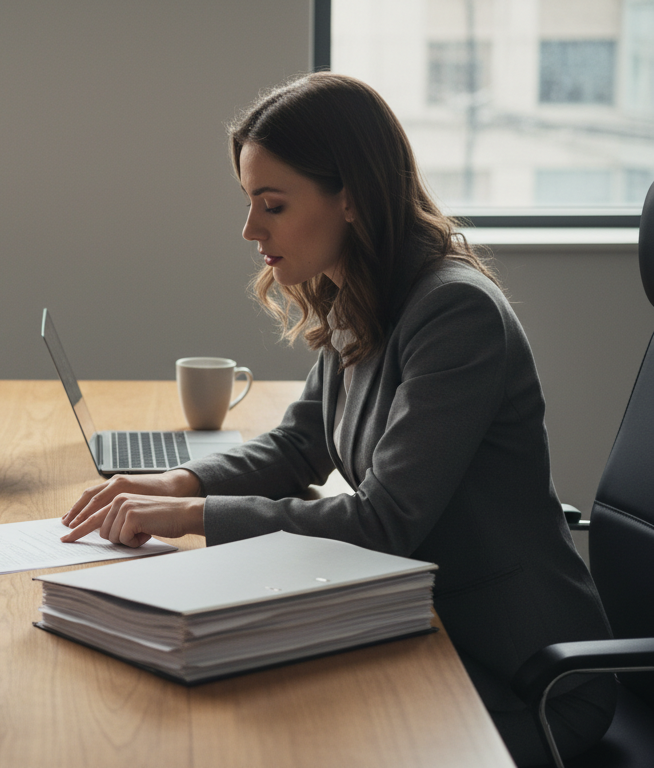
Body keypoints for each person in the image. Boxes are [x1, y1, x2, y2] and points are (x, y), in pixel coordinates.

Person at [58, 72, 615, 766]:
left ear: (350, 195)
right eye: (249, 202)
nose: (250, 228)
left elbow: (384, 523)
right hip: (421, 630)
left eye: (273, 204)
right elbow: (299, 444)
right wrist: (178, 485)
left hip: (522, 674)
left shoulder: (454, 313)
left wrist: (192, 519)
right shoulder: (362, 292)